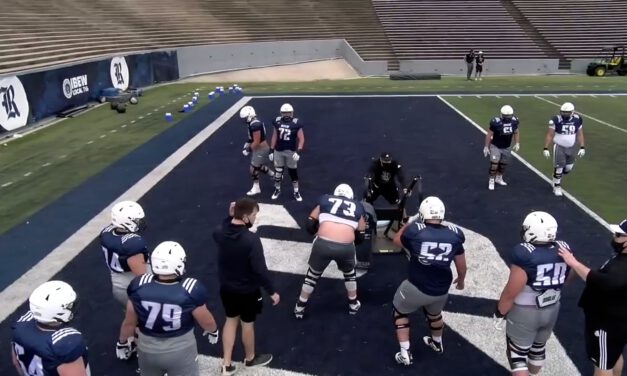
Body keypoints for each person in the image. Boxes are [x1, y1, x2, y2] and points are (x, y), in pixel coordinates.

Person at [117, 241, 220, 376]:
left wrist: (122, 342)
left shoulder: (139, 285)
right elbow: (206, 320)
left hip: (147, 349)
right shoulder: (189, 289)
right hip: (180, 350)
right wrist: (213, 331)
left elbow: (129, 322)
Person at [494, 211, 572, 376]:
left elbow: (511, 290)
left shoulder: (525, 252)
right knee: (538, 349)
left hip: (525, 312)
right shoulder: (563, 248)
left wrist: (500, 312)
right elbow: (567, 278)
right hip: (552, 308)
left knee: (517, 356)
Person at [391, 196, 466, 366]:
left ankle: (405, 353)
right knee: (434, 314)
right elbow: (462, 267)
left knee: (400, 313)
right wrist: (461, 281)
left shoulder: (415, 230)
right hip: (441, 289)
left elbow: (397, 241)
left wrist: (410, 223)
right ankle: (437, 343)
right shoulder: (454, 234)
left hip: (416, 286)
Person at [212, 198, 279, 375]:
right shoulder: (251, 240)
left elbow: (222, 228)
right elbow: (259, 270)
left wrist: (229, 217)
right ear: (245, 216)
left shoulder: (220, 232)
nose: (255, 218)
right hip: (248, 290)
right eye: (254, 215)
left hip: (227, 288)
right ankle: (250, 358)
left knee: (230, 320)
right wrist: (271, 291)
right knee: (247, 323)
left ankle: (226, 364)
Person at [558, 218, 627, 376]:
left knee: (602, 363)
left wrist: (573, 263)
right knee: (613, 355)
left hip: (607, 323)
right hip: (620, 320)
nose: (614, 236)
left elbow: (601, 281)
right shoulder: (622, 258)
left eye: (619, 234)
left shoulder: (622, 268)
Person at [296, 183, 366, 319]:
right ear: (351, 196)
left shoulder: (324, 199)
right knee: (350, 274)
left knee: (312, 276)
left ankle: (299, 307)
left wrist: (319, 233)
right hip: (346, 247)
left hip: (323, 244)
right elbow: (361, 236)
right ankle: (353, 304)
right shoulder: (358, 206)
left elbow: (310, 223)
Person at [11, 280, 90, 376]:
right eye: (69, 306)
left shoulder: (20, 327)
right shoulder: (64, 343)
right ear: (58, 312)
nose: (72, 307)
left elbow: (16, 362)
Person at [100, 200, 148, 306]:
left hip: (117, 283)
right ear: (127, 221)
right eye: (137, 220)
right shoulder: (132, 242)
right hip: (131, 282)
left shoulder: (106, 232)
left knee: (130, 315)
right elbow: (142, 276)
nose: (140, 222)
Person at [543, 102, 585, 196]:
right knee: (559, 168)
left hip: (572, 147)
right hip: (559, 146)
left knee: (567, 169)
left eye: (567, 112)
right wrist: (546, 148)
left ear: (572, 112)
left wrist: (582, 146)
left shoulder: (577, 119)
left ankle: (555, 178)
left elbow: (580, 133)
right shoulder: (556, 119)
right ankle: (557, 186)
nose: (564, 114)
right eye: (563, 112)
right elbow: (550, 134)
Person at [269, 103, 305, 202]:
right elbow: (274, 136)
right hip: (278, 151)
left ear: (292, 113)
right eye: (285, 113)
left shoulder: (296, 123)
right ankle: (277, 189)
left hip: (291, 152)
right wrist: (271, 150)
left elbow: (301, 139)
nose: (287, 115)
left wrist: (298, 151)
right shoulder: (277, 122)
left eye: (288, 113)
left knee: (293, 172)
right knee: (278, 173)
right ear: (281, 113)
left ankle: (296, 191)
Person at [483, 105, 520, 190]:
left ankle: (499, 178)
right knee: (494, 164)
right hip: (496, 146)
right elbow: (489, 134)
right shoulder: (496, 122)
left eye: (509, 116)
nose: (507, 117)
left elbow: (516, 132)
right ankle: (491, 180)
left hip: (507, 146)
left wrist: (517, 143)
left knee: (503, 165)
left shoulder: (514, 122)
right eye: (506, 116)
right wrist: (486, 146)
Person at [240, 106, 274, 196]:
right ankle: (273, 175)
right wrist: (248, 142)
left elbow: (257, 141)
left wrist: (248, 149)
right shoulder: (252, 123)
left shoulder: (255, 125)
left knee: (253, 168)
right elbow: (252, 138)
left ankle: (256, 188)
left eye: (245, 118)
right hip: (259, 148)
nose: (244, 120)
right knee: (258, 166)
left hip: (261, 149)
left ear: (250, 116)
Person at [355, 199, 377, 270]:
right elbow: (374, 222)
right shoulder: (368, 206)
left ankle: (363, 261)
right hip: (367, 224)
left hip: (362, 224)